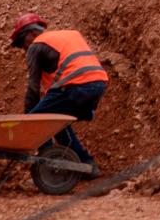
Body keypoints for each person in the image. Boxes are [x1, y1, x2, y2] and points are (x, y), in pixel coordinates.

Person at [10, 13, 107, 172]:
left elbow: (33, 88)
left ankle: (46, 164)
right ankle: (87, 165)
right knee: (56, 123)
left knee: (39, 120)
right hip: (98, 84)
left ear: (31, 34)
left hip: (75, 86)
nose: (24, 48)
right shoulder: (67, 36)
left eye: (22, 43)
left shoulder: (36, 45)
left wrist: (28, 118)